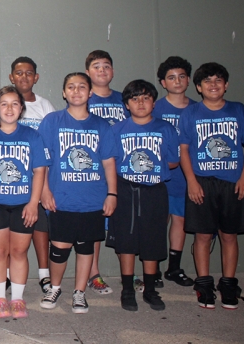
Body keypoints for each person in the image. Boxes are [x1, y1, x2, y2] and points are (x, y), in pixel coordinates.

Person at [178, 62, 244, 309]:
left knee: (229, 235)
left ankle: (228, 283)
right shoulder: (190, 113)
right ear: (199, 87)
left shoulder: (238, 110)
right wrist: (191, 181)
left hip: (231, 183)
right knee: (202, 235)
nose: (213, 85)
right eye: (207, 81)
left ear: (226, 85)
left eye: (218, 80)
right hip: (202, 182)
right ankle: (204, 284)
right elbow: (184, 150)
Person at [38, 72, 117, 314]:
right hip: (61, 198)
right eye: (70, 87)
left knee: (86, 247)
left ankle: (80, 292)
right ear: (64, 93)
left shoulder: (101, 125)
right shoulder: (52, 121)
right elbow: (41, 161)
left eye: (82, 86)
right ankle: (55, 287)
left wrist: (112, 194)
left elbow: (108, 163)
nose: (76, 91)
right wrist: (44, 191)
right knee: (59, 248)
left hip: (92, 199)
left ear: (90, 92)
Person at [0, 86, 49, 319]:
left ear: (22, 108)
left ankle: (18, 298)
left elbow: (39, 170)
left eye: (15, 103)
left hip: (24, 204)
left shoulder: (32, 136)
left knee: (19, 251)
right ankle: (0, 298)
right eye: (4, 103)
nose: (9, 108)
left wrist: (34, 203)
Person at [107, 80, 179, 312]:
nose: (140, 102)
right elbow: (111, 162)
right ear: (126, 104)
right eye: (135, 98)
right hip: (125, 189)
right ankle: (127, 289)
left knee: (153, 240)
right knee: (126, 241)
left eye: (146, 98)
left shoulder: (165, 128)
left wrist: (150, 169)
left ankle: (150, 289)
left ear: (154, 102)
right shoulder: (116, 129)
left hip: (154, 190)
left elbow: (173, 160)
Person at [84, 49, 138, 294]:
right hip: (95, 172)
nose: (102, 70)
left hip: (125, 170)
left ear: (113, 71)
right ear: (88, 72)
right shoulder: (83, 99)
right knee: (96, 224)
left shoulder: (123, 100)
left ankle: (130, 273)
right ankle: (94, 273)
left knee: (127, 222)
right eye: (96, 66)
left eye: (106, 66)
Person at [9, 56, 56, 293]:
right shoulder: (5, 103)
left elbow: (50, 146)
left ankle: (44, 274)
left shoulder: (45, 106)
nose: (24, 77)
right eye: (19, 72)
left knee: (39, 225)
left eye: (29, 73)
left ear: (36, 78)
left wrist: (45, 187)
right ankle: (9, 273)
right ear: (11, 77)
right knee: (10, 226)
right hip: (11, 178)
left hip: (38, 176)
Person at [152, 56, 197, 287]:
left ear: (188, 80)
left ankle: (174, 268)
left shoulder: (198, 109)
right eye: (171, 77)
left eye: (181, 76)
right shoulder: (155, 107)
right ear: (163, 82)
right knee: (159, 221)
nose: (177, 81)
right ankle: (154, 269)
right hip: (161, 175)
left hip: (186, 177)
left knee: (180, 220)